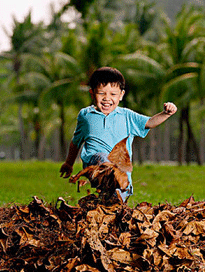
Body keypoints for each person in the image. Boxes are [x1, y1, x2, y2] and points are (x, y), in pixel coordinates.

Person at [60, 67, 177, 201]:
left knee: (117, 201)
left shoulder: (127, 116)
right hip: (95, 163)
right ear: (92, 94)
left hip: (121, 168)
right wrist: (69, 163)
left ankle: (108, 204)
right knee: (103, 159)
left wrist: (166, 113)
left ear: (121, 95)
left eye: (113, 94)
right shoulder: (86, 116)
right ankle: (109, 183)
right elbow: (76, 142)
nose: (107, 98)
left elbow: (150, 122)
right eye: (101, 93)